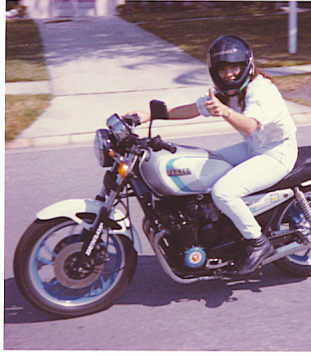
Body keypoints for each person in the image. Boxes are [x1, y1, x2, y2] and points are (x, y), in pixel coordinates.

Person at [126, 35, 298, 274]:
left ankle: (258, 243)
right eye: (223, 69)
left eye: (234, 67)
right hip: (254, 148)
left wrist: (225, 111)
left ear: (246, 64)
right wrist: (150, 115)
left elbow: (249, 125)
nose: (229, 74)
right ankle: (217, 227)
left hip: (277, 153)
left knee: (224, 191)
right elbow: (192, 109)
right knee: (207, 169)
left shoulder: (260, 90)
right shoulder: (226, 92)